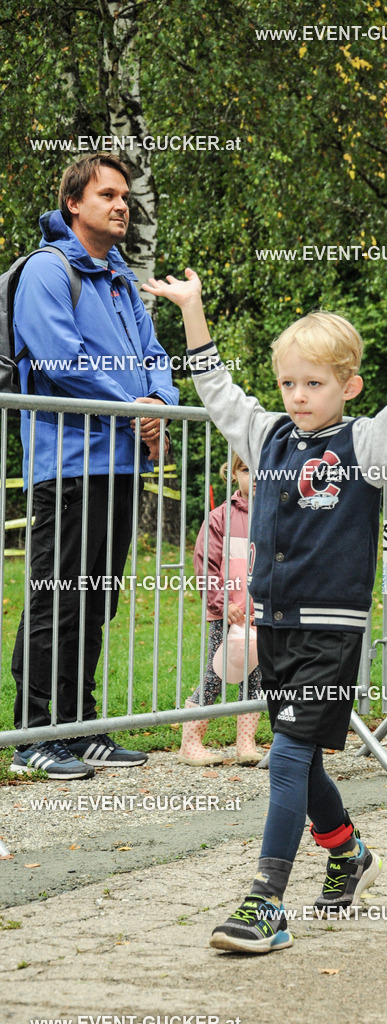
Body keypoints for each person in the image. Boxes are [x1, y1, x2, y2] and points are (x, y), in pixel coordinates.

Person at [143, 254, 387, 953]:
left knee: (286, 757)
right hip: (275, 627)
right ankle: (349, 856)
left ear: (347, 386)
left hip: (330, 631)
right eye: (288, 382)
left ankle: (265, 902)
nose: (297, 395)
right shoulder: (267, 439)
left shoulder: (370, 445)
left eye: (313, 383)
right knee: (306, 758)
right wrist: (192, 311)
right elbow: (219, 389)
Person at [10, 152, 179, 781]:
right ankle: (33, 732)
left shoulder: (120, 278)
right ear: (73, 204)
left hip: (120, 463)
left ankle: (79, 726)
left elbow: (156, 355)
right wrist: (133, 405)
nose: (121, 204)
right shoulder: (47, 273)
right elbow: (61, 360)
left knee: (97, 599)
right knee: (57, 597)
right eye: (107, 194)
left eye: (125, 197)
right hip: (68, 462)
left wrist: (160, 402)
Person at [178, 453, 264, 766]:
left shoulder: (277, 516)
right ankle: (191, 743)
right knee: (217, 673)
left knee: (255, 678)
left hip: (261, 616)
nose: (253, 476)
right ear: (231, 473)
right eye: (245, 469)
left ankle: (246, 743)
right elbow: (206, 567)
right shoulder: (219, 518)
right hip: (228, 614)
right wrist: (223, 604)